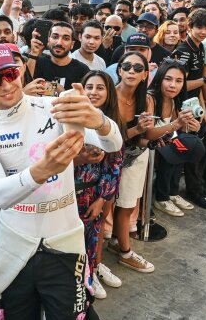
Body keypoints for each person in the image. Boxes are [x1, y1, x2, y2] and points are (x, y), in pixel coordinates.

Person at [0, 44, 122, 319]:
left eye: (10, 73)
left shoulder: (54, 106)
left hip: (65, 244)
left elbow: (113, 143)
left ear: (21, 70)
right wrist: (42, 170)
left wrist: (99, 120)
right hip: (14, 248)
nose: (5, 85)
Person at [75, 71, 123, 300]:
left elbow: (114, 164)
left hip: (94, 193)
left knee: (92, 238)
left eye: (100, 88)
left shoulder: (111, 124)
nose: (93, 92)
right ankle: (73, 282)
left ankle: (90, 275)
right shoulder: (70, 120)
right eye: (89, 87)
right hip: (66, 192)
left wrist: (102, 199)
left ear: (109, 93)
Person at [108, 51, 157, 272]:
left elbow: (147, 137)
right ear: (119, 70)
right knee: (104, 207)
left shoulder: (146, 99)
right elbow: (109, 137)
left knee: (127, 204)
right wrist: (138, 129)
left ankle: (123, 248)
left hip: (135, 155)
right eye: (126, 66)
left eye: (138, 68)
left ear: (145, 74)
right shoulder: (109, 97)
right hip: (108, 157)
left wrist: (172, 126)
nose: (131, 71)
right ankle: (106, 254)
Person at [171, 8, 206, 209]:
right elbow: (179, 85)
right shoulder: (183, 51)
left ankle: (197, 186)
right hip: (183, 111)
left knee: (199, 150)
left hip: (196, 108)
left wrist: (205, 109)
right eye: (199, 27)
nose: (203, 31)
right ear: (189, 27)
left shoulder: (199, 48)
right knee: (190, 151)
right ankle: (191, 190)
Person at [147, 60, 199, 216]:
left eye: (178, 81)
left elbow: (179, 126)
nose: (173, 85)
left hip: (164, 140)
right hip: (147, 145)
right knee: (174, 150)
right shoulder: (150, 98)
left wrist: (191, 125)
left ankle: (172, 192)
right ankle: (161, 198)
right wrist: (177, 125)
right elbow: (148, 134)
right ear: (159, 78)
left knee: (185, 146)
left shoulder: (173, 99)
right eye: (168, 79)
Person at [29, 22, 90, 91]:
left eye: (66, 38)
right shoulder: (36, 62)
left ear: (72, 44)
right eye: (55, 37)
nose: (59, 43)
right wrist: (33, 53)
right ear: (48, 40)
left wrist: (57, 89)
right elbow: (26, 88)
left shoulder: (82, 70)